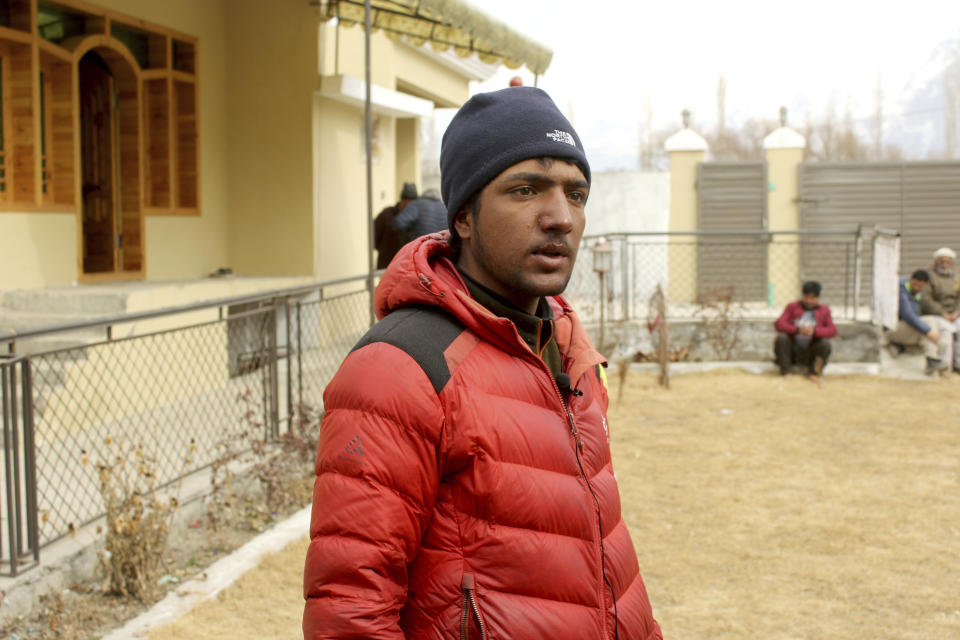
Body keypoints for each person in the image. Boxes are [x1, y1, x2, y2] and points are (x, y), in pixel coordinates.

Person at [303, 87, 662, 639]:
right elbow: (350, 612)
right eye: (525, 190)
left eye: (577, 193)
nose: (561, 217)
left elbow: (598, 549)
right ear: (464, 217)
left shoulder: (568, 348)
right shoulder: (399, 369)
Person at [886, 269, 951, 375]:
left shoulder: (918, 293)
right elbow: (908, 315)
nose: (917, 288)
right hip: (891, 328)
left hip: (905, 329)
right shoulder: (900, 288)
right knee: (928, 327)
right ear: (911, 279)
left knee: (928, 326)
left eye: (920, 286)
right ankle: (933, 358)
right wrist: (927, 331)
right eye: (915, 284)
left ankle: (932, 359)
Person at [773, 281, 837, 381]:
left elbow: (832, 330)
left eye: (813, 298)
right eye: (806, 297)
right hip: (793, 350)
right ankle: (786, 371)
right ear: (802, 295)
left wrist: (814, 332)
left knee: (825, 344)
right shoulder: (792, 307)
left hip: (811, 351)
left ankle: (814, 372)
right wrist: (798, 330)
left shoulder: (824, 310)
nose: (809, 301)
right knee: (782, 338)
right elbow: (779, 324)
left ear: (818, 298)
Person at [919, 247, 960, 371]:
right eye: (942, 261)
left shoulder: (955, 278)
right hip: (937, 314)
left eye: (947, 262)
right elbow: (926, 300)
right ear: (936, 262)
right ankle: (945, 367)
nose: (944, 264)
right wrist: (943, 313)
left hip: (954, 314)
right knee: (946, 332)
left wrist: (957, 313)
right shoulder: (930, 278)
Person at [373, 182, 417, 269]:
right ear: (403, 200)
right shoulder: (387, 214)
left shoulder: (416, 217)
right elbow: (374, 236)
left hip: (406, 267)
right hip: (387, 264)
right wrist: (384, 250)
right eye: (409, 202)